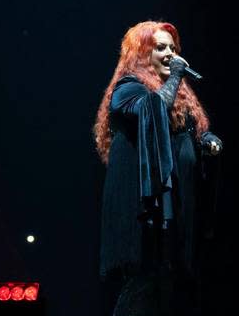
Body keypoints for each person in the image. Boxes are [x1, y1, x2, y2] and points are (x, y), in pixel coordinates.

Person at [94, 20, 223, 316]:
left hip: (175, 217)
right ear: (141, 54)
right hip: (146, 217)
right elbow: (151, 112)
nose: (171, 54)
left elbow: (186, 136)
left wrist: (206, 141)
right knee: (142, 290)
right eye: (160, 47)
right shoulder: (127, 89)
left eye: (173, 48)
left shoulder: (180, 99)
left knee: (171, 295)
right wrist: (176, 76)